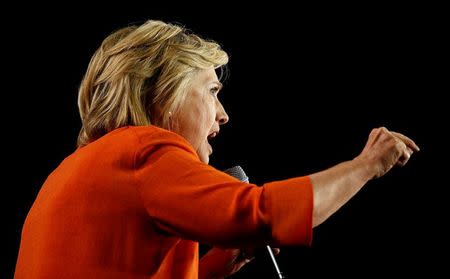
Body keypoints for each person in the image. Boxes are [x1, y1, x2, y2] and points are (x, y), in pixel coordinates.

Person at [14, 20, 419, 279]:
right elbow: (262, 215)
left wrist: (220, 262)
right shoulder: (145, 150)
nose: (223, 115)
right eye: (211, 92)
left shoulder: (81, 168)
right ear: (164, 96)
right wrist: (367, 164)